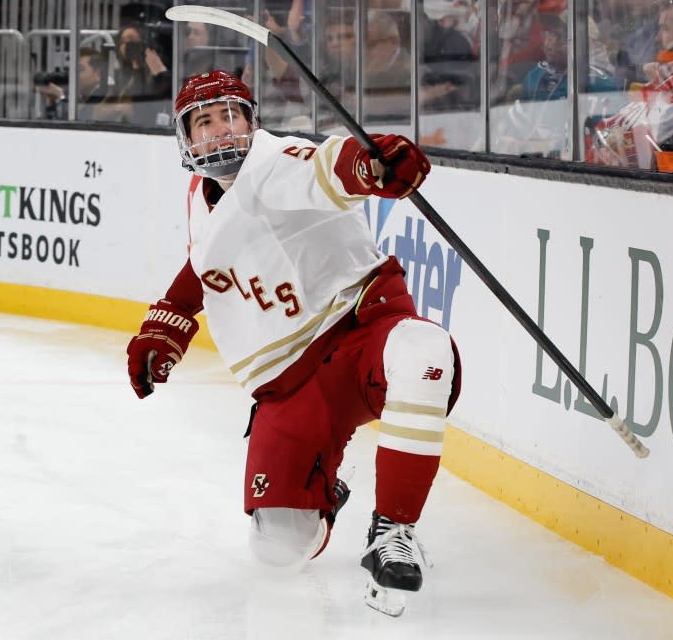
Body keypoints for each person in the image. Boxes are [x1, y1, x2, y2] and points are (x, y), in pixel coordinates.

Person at [125, 70, 461, 616]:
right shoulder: (200, 193)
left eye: (230, 115)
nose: (220, 131)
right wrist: (167, 323)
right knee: (278, 552)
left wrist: (373, 165)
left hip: (358, 334)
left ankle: (393, 530)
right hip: (293, 388)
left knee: (425, 351)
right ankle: (331, 483)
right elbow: (205, 259)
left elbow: (330, 169)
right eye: (204, 122)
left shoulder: (275, 162)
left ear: (252, 120)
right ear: (185, 139)